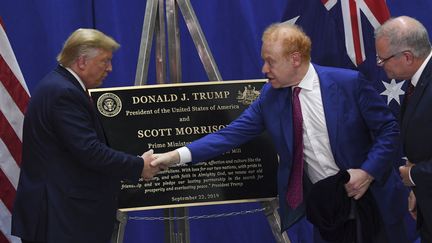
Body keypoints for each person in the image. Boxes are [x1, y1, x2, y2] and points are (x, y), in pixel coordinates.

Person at [151, 23, 410, 242]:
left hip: (373, 199)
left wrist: (367, 172)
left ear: (295, 59)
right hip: (328, 209)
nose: (264, 69)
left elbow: (388, 129)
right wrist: (174, 157)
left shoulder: (348, 84)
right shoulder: (270, 97)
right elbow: (229, 135)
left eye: (270, 61)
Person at [11, 28, 160, 243]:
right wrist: (139, 165)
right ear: (81, 61)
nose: (109, 68)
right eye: (105, 61)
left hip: (61, 215)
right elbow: (90, 151)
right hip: (61, 219)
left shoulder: (59, 86)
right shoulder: (65, 93)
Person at [375, 16, 432, 242]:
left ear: (407, 57)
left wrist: (413, 176)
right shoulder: (417, 80)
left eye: (383, 59)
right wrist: (418, 190)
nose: (379, 65)